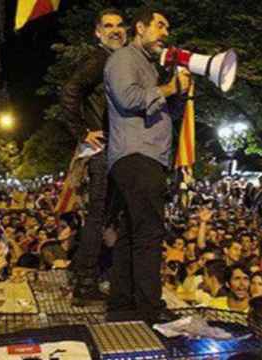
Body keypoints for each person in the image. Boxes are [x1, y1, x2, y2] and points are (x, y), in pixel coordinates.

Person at [103, 7, 190, 322]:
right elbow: (128, 98)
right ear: (140, 27)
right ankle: (150, 310)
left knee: (130, 234)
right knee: (150, 234)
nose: (165, 32)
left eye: (168, 27)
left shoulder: (150, 68)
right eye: (160, 25)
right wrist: (168, 89)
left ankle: (122, 304)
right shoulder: (124, 59)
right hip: (139, 157)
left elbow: (166, 112)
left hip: (141, 158)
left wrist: (180, 92)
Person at [60, 8, 127, 306]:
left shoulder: (116, 61)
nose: (116, 30)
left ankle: (82, 271)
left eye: (120, 25)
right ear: (98, 32)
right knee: (99, 217)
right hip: (103, 151)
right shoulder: (99, 60)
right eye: (108, 26)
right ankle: (85, 282)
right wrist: (83, 131)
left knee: (105, 216)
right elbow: (70, 90)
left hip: (115, 149)